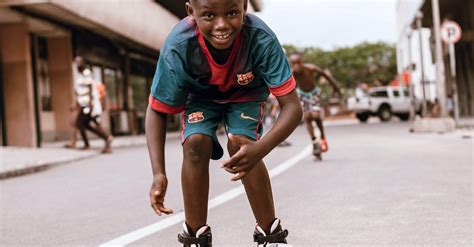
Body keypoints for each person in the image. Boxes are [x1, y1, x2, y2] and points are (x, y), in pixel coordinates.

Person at [145, 0, 302, 246]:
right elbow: (156, 110)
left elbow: (293, 107)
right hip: (201, 98)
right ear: (191, 13)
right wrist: (158, 173)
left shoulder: (260, 39)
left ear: (244, 8)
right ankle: (196, 236)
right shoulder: (178, 45)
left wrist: (260, 149)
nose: (221, 25)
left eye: (231, 13)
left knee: (241, 143)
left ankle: (270, 234)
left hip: (246, 95)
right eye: (208, 15)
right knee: (195, 142)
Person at [288, 52, 340, 156]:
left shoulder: (311, 68)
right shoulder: (292, 73)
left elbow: (326, 75)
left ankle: (323, 137)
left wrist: (335, 87)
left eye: (299, 63)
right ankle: (315, 143)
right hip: (302, 94)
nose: (297, 66)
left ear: (302, 62)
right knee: (307, 117)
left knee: (316, 116)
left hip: (313, 93)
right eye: (294, 63)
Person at [73, 56, 113, 153]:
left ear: (83, 63)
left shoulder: (87, 73)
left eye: (79, 62)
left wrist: (90, 104)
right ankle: (106, 138)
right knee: (85, 124)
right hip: (84, 104)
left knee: (79, 123)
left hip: (89, 105)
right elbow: (80, 92)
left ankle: (103, 139)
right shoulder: (80, 75)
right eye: (76, 62)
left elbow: (90, 89)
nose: (77, 64)